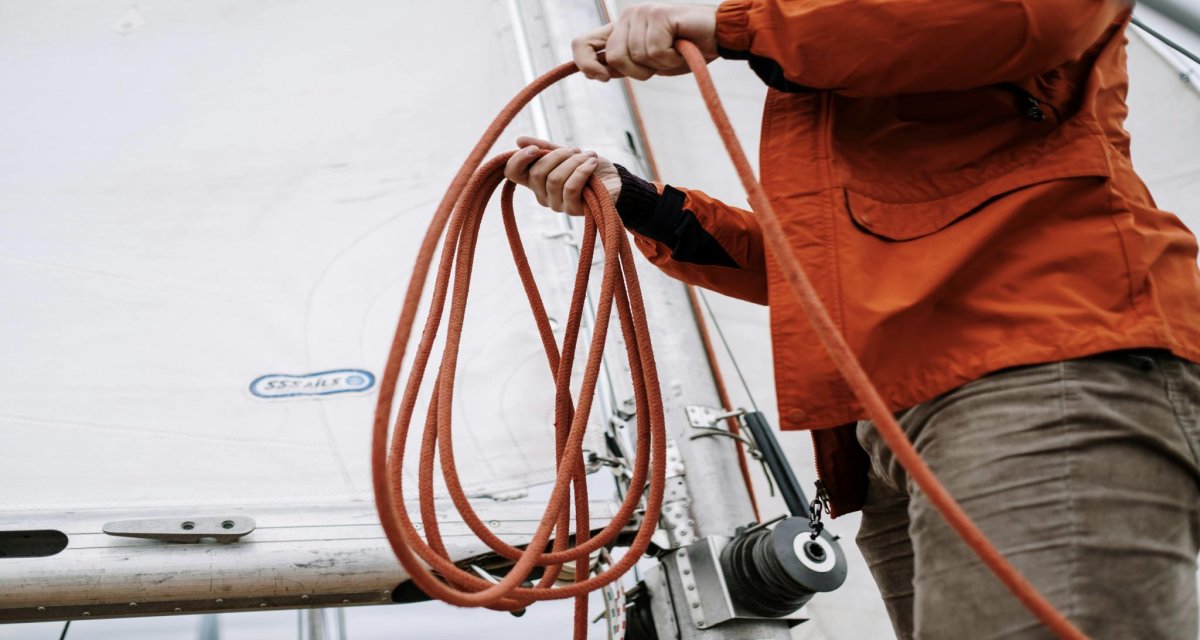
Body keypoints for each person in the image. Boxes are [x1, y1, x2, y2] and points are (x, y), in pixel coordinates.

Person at [504, 2, 1200, 638]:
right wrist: (644, 206)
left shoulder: (823, 32)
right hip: (900, 430)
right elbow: (824, 272)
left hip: (1039, 372)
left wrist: (741, 26)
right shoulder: (832, 46)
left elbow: (1028, 15)